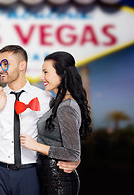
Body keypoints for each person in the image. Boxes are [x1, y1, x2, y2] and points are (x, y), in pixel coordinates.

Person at [0, 45, 81, 195]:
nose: (0, 69)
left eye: (5, 64)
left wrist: (75, 158)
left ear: (22, 66)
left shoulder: (45, 98)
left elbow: (62, 134)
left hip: (31, 172)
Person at [20, 51, 92, 195]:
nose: (42, 77)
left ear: (62, 74)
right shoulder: (58, 103)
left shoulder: (66, 107)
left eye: (46, 72)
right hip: (51, 177)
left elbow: (73, 152)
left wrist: (36, 146)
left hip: (59, 181)